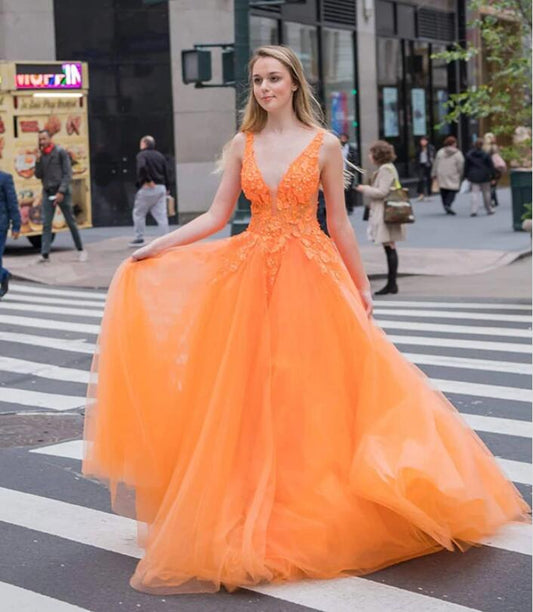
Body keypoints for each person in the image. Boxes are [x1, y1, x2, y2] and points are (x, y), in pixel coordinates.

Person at [83, 45, 528, 595]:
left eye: (273, 78)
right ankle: (259, 504)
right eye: (256, 81)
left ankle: (328, 501)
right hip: (249, 278)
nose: (264, 88)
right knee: (250, 395)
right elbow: (218, 217)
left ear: (293, 82)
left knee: (315, 393)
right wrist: (155, 246)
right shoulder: (241, 143)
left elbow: (338, 223)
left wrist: (361, 285)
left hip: (311, 276)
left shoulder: (325, 144)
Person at [356, 141, 405, 295]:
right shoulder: (387, 168)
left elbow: (382, 192)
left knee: (390, 247)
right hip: (388, 212)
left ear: (378, 155)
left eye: (371, 153)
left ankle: (392, 284)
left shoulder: (385, 169)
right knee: (389, 247)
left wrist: (364, 189)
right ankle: (392, 284)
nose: (369, 156)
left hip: (387, 213)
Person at [35, 129, 87, 263]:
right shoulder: (42, 155)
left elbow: (67, 173)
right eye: (40, 139)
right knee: (46, 223)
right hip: (48, 191)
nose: (42, 142)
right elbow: (38, 175)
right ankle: (45, 254)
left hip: (62, 192)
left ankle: (81, 249)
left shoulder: (60, 152)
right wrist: (38, 161)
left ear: (50, 139)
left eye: (44, 139)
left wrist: (61, 191)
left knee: (70, 221)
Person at [129, 135, 170, 248]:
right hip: (161, 187)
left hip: (148, 187)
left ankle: (139, 238)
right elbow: (166, 171)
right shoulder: (160, 156)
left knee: (139, 213)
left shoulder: (142, 155)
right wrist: (167, 187)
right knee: (161, 215)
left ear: (144, 144)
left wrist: (148, 180)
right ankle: (165, 238)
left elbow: (141, 167)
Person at [0, 169, 21, 297]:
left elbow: (12, 202)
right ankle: (3, 275)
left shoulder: (5, 178)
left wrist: (16, 225)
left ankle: (3, 275)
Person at [432, 135, 465, 215]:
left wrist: (434, 173)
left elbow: (436, 163)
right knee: (452, 190)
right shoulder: (458, 153)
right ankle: (448, 204)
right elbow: (460, 164)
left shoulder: (440, 152)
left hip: (441, 173)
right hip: (453, 173)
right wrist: (461, 173)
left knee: (443, 189)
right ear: (453, 144)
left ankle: (445, 204)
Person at [465, 138, 496, 217]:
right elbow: (491, 166)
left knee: (474, 193)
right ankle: (489, 209)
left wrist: (466, 175)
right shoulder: (485, 155)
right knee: (486, 193)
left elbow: (466, 166)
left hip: (473, 175)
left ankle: (473, 210)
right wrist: (493, 176)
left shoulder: (469, 155)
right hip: (485, 175)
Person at [483, 132, 506, 207]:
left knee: (490, 185)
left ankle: (493, 200)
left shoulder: (484, 147)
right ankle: (493, 199)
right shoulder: (493, 147)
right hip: (495, 167)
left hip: (487, 168)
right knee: (493, 184)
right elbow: (497, 156)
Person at [339, 132, 358, 214]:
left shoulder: (351, 149)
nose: (343, 140)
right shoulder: (336, 148)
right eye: (341, 138)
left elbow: (355, 160)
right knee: (340, 192)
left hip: (348, 172)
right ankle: (342, 208)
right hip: (338, 173)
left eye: (344, 138)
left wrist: (352, 171)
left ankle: (350, 208)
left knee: (349, 191)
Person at [415, 136, 435, 200]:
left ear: (427, 141)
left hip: (428, 165)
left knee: (429, 180)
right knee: (420, 180)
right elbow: (416, 157)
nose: (422, 142)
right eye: (421, 141)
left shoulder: (430, 148)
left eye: (424, 140)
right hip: (421, 165)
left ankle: (429, 194)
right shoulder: (419, 148)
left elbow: (433, 156)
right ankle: (421, 194)